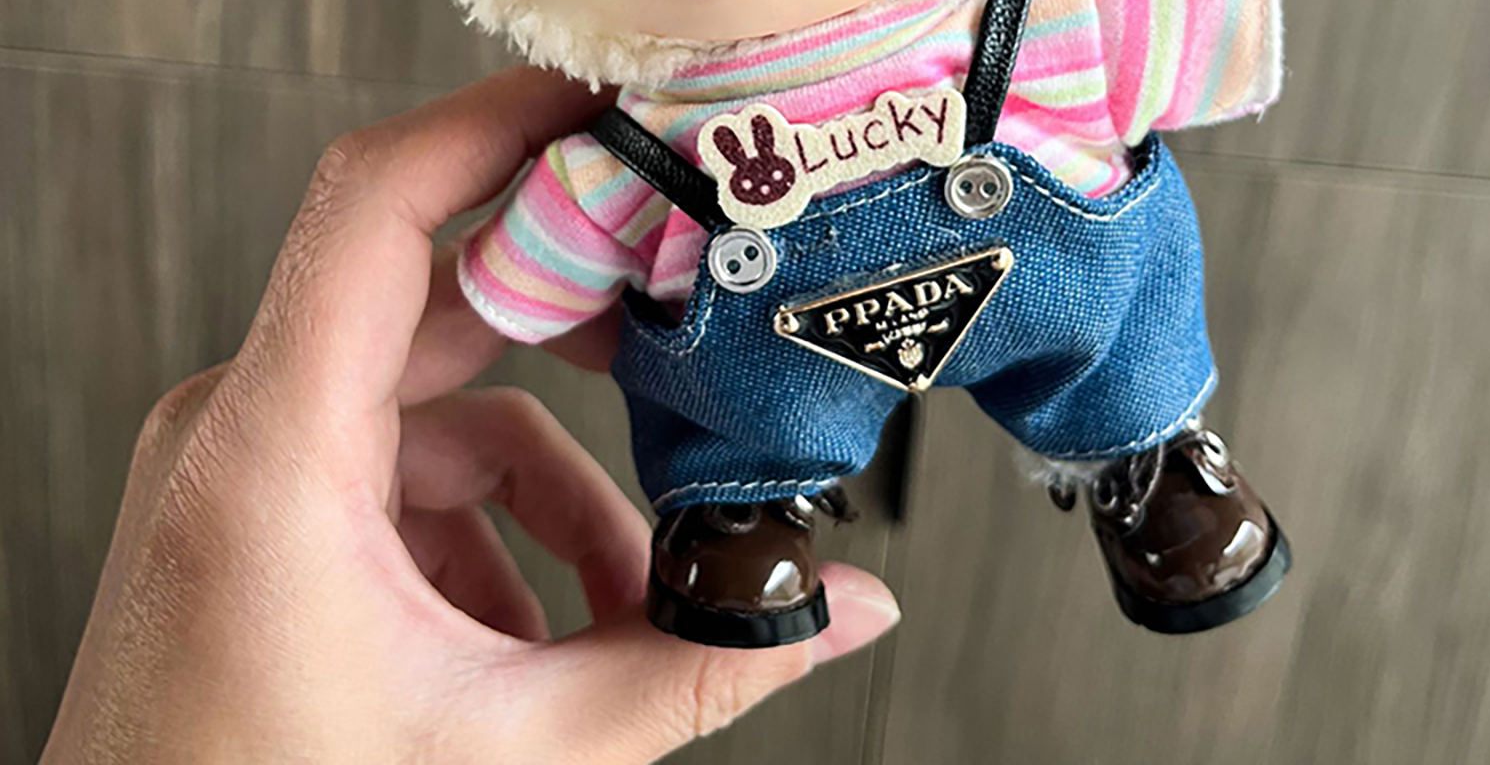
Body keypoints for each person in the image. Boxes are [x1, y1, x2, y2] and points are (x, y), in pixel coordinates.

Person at [41, 68, 900, 763]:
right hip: (731, 374)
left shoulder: (978, 31)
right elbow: (583, 210)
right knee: (725, 451)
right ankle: (738, 508)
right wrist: (521, 279)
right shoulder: (647, 138)